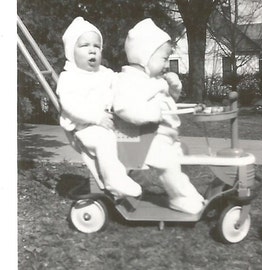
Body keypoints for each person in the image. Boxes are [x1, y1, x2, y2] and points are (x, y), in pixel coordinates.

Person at [113, 18, 205, 214]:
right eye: (164, 58)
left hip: (165, 135)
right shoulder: (128, 81)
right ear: (146, 56)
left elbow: (168, 102)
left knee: (179, 161)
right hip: (145, 137)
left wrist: (173, 88)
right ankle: (180, 198)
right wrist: (151, 114)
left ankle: (186, 192)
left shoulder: (153, 80)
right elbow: (123, 107)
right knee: (168, 163)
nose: (166, 64)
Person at [56, 17, 142, 198]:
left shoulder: (104, 73)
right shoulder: (69, 77)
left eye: (96, 46)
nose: (92, 50)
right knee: (105, 141)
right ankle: (113, 180)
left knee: (133, 136)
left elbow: (119, 81)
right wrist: (96, 117)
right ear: (71, 51)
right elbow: (70, 106)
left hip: (105, 123)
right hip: (84, 127)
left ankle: (124, 172)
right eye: (84, 45)